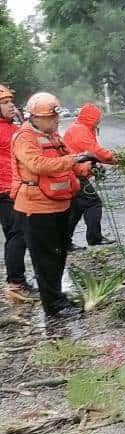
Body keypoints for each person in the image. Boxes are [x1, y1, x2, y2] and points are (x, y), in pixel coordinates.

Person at [11, 93, 96, 318]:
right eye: (51, 117)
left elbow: (69, 160)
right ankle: (53, 306)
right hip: (36, 208)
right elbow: (39, 164)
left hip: (59, 205)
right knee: (45, 258)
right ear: (35, 117)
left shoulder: (53, 136)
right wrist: (74, 160)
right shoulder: (24, 137)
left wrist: (87, 167)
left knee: (58, 255)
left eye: (56, 116)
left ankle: (56, 296)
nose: (56, 121)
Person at [62, 103, 116, 250]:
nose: (99, 121)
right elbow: (95, 151)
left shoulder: (83, 128)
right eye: (98, 118)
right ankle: (94, 237)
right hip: (73, 173)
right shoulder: (80, 130)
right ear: (92, 118)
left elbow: (91, 154)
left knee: (77, 208)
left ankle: (64, 242)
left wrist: (97, 165)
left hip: (74, 172)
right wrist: (115, 158)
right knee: (93, 202)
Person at [0, 86, 33, 297]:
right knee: (17, 234)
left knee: (15, 233)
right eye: (4, 102)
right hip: (5, 189)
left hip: (13, 187)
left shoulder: (11, 127)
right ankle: (15, 283)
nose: (11, 105)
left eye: (11, 101)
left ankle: (16, 280)